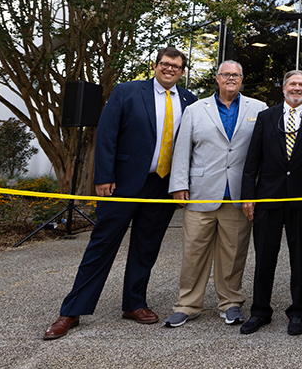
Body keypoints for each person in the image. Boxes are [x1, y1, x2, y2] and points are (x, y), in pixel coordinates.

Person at [44, 47, 197, 339]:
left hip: (161, 187)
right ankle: (71, 311)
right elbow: (107, 133)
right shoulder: (127, 92)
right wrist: (104, 176)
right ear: (155, 65)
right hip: (121, 185)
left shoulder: (190, 101)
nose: (170, 70)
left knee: (146, 248)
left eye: (176, 66)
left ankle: (134, 304)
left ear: (182, 71)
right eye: (165, 64)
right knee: (101, 247)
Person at [163, 61, 267, 327]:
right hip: (200, 193)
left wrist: (256, 192)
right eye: (226, 74)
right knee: (194, 252)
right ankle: (187, 304)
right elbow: (182, 148)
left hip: (238, 196)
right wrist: (179, 185)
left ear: (242, 79)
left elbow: (264, 154)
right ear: (217, 78)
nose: (231, 78)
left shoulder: (259, 109)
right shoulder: (196, 109)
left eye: (236, 75)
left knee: (233, 254)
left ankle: (230, 303)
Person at [239, 70, 302, 336]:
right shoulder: (266, 117)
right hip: (268, 198)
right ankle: (260, 312)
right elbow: (252, 158)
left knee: (301, 259)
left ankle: (299, 312)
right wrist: (248, 195)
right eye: (292, 84)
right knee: (265, 257)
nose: (297, 88)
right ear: (283, 87)